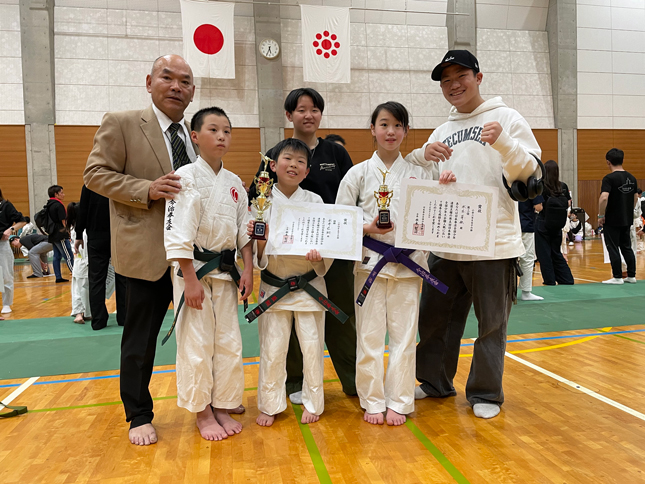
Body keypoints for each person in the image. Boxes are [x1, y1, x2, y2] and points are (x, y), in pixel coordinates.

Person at [413, 50, 541, 419]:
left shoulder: (507, 118)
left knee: (491, 325)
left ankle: (486, 392)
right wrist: (429, 167)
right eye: (446, 80)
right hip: (446, 244)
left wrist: (505, 143)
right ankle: (434, 381)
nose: (453, 85)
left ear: (479, 77)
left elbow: (531, 176)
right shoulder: (442, 131)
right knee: (434, 319)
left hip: (493, 246)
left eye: (461, 76)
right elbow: (423, 185)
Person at [84, 54, 197, 446]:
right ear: (149, 82)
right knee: (139, 341)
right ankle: (138, 414)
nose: (176, 86)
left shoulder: (194, 135)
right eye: (167, 77)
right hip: (145, 253)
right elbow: (95, 174)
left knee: (201, 335)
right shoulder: (123, 123)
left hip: (192, 258)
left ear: (193, 92)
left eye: (185, 81)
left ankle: (207, 402)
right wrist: (145, 189)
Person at [337, 101, 449, 426]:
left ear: (406, 131)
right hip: (369, 265)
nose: (391, 131)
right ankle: (372, 400)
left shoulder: (422, 172)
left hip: (409, 265)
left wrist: (447, 185)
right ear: (372, 129)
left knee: (404, 337)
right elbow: (341, 220)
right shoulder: (357, 173)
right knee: (369, 337)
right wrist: (368, 228)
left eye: (398, 125)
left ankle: (399, 400)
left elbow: (438, 212)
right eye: (384, 124)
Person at [248, 88, 358, 404]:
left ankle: (353, 381)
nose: (308, 115)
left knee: (341, 317)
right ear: (289, 115)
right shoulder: (274, 153)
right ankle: (295, 382)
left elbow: (352, 199)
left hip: (329, 252)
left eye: (314, 109)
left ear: (321, 114)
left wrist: (351, 239)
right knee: (289, 323)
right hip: (285, 258)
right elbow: (259, 199)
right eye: (301, 109)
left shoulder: (335, 153)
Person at [164, 106, 252, 441]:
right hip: (195, 271)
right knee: (196, 343)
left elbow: (244, 230)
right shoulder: (184, 177)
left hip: (227, 273)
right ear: (195, 136)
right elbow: (177, 232)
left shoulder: (235, 183)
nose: (221, 136)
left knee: (228, 342)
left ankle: (223, 404)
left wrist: (248, 270)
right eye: (213, 130)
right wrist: (189, 279)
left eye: (226, 131)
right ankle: (202, 411)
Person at [249, 138, 334, 427]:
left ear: (307, 171)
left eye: (301, 162)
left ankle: (313, 401)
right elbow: (254, 252)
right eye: (287, 159)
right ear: (273, 166)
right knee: (272, 349)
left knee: (312, 347)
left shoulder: (315, 202)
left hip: (309, 286)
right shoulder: (260, 202)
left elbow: (326, 243)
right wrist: (260, 241)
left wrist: (319, 258)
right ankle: (270, 404)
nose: (294, 165)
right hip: (274, 285)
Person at [75, 185, 127, 330]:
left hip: (96, 236)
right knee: (122, 277)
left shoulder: (90, 183)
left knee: (96, 279)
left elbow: (83, 209)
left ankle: (98, 320)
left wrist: (79, 234)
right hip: (118, 234)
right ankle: (124, 317)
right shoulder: (119, 179)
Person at [598, 148, 638, 284]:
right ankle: (631, 275)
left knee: (613, 247)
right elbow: (635, 198)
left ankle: (617, 276)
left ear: (608, 162)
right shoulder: (632, 178)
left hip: (612, 218)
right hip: (626, 218)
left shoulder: (609, 178)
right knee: (626, 247)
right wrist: (628, 210)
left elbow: (604, 198)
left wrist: (601, 215)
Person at [534, 161, 574, 286]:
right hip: (557, 224)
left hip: (543, 223)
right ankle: (566, 278)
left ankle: (549, 280)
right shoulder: (562, 186)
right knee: (556, 252)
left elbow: (538, 207)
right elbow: (568, 203)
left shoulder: (541, 185)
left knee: (544, 254)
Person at [0, 188, 26, 315]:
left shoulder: (6, 206)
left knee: (6, 275)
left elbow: (23, 220)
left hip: (2, 244)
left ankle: (6, 303)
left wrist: (11, 229)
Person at [45, 185, 74, 283]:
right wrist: (68, 231)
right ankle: (75, 274)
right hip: (60, 233)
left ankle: (58, 277)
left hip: (53, 234)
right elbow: (63, 220)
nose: (63, 194)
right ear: (56, 194)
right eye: (61, 192)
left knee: (56, 256)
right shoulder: (58, 205)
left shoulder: (48, 205)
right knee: (68, 255)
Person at [518, 196, 544, 301]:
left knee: (507, 258)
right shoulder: (530, 185)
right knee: (527, 259)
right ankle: (526, 292)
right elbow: (538, 207)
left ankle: (506, 291)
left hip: (507, 224)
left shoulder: (506, 185)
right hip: (526, 224)